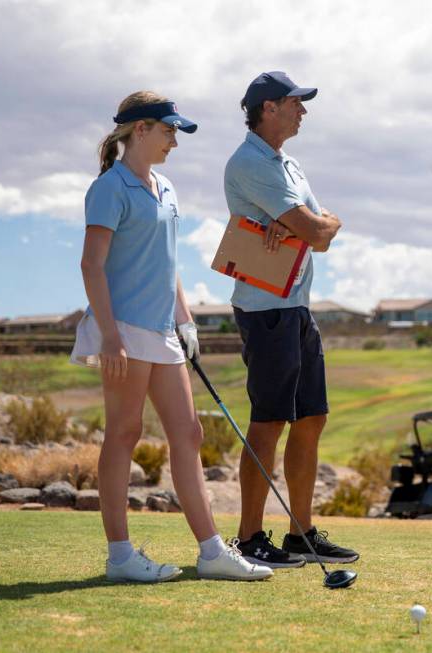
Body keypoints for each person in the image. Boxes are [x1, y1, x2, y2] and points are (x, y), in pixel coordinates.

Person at [71, 91, 271, 583]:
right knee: (124, 434)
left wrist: (186, 321)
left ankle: (211, 552)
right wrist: (111, 338)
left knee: (188, 433)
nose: (174, 142)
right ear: (139, 130)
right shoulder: (110, 187)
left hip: (161, 330)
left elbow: (168, 264)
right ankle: (119, 556)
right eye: (168, 131)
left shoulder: (165, 187)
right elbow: (91, 266)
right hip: (124, 329)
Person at [223, 71, 359, 568]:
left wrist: (309, 227)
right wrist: (308, 226)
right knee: (269, 421)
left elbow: (326, 226)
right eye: (294, 102)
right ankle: (249, 538)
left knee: (312, 417)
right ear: (267, 109)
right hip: (266, 309)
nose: (303, 110)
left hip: (296, 305)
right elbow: (315, 228)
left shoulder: (290, 164)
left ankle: (300, 534)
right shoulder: (248, 162)